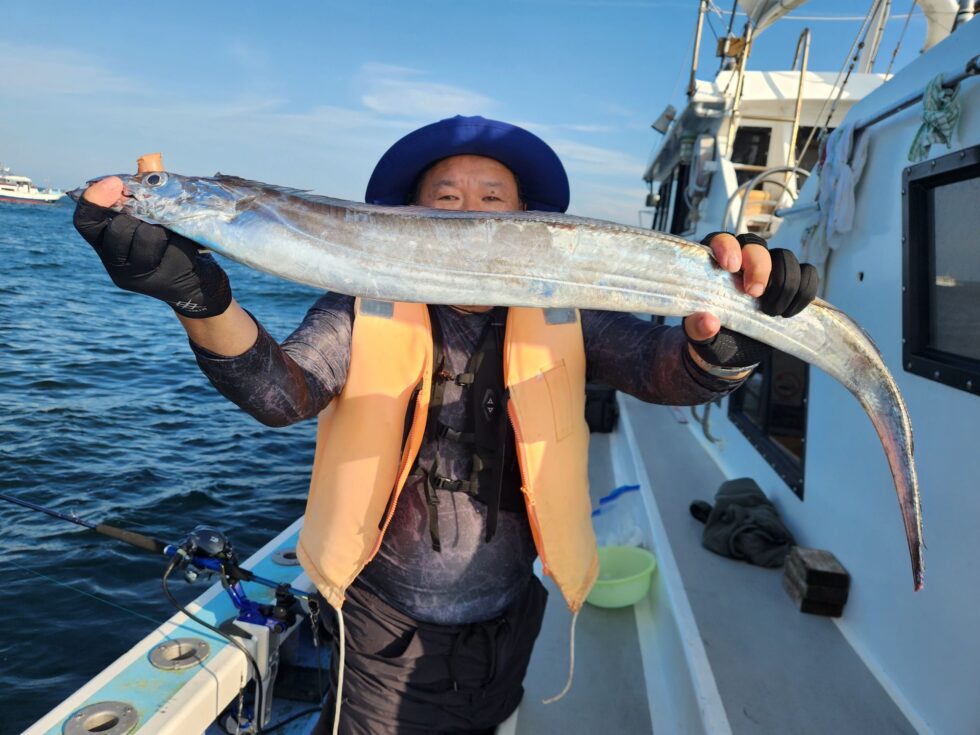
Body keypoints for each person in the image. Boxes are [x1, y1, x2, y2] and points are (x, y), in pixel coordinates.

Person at [74, 115, 817, 735]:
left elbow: (662, 368)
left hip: (511, 619)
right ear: (410, 215)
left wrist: (723, 344)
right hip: (379, 628)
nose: (470, 213)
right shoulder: (363, 298)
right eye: (448, 196)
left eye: (493, 196)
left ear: (525, 219)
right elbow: (282, 393)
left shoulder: (565, 305)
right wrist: (196, 297)